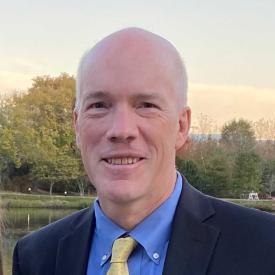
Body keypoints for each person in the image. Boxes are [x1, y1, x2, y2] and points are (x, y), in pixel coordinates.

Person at [13, 28, 275, 275]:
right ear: (77, 126)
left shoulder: (264, 247)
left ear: (181, 127)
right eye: (99, 105)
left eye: (146, 105)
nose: (121, 129)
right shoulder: (36, 257)